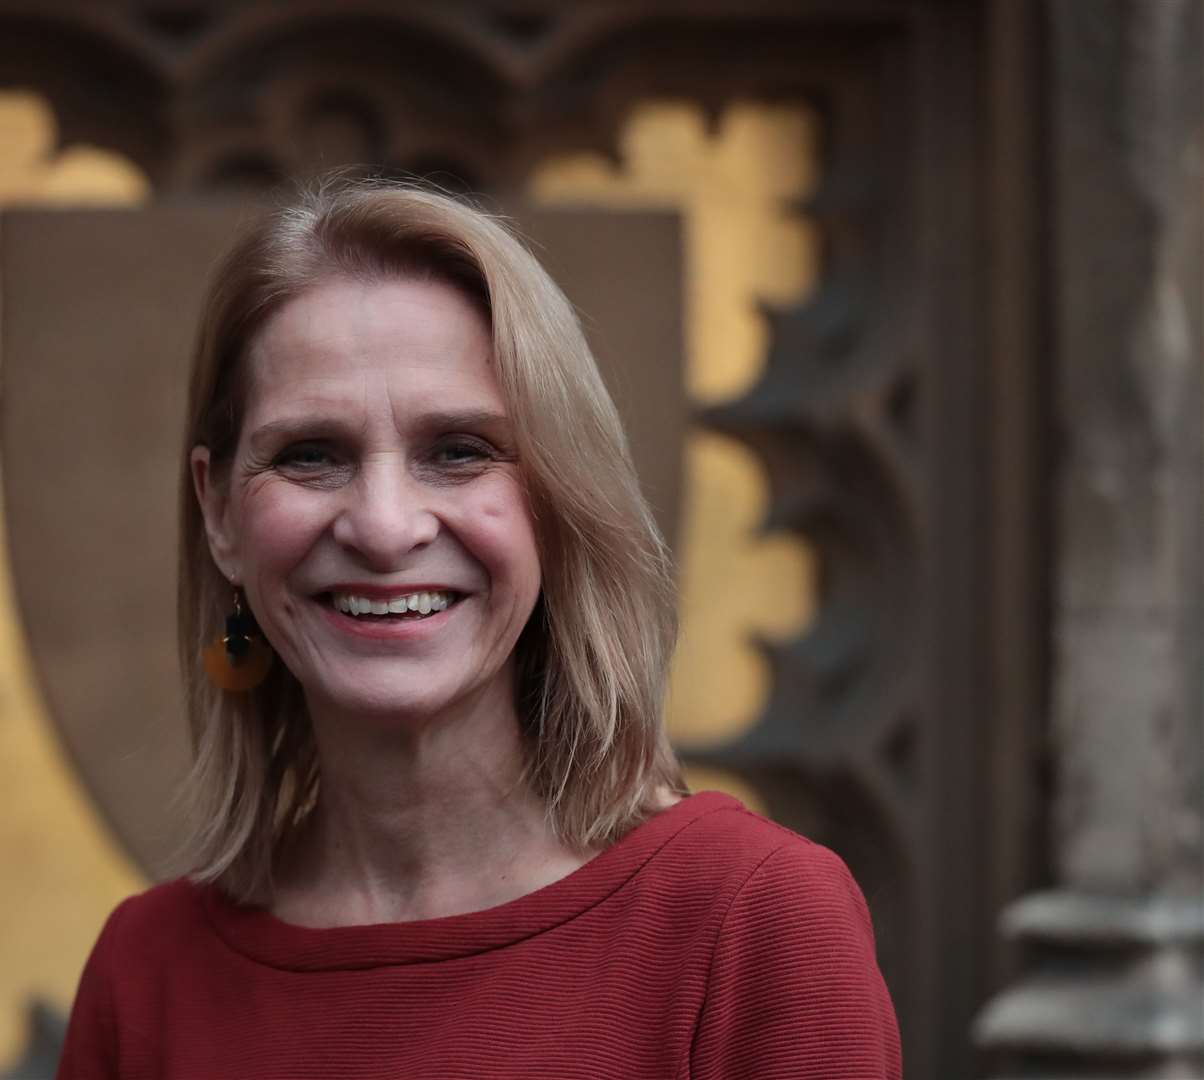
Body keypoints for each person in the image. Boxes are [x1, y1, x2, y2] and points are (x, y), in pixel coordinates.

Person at [55, 179, 901, 1079]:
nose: (384, 527)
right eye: (310, 454)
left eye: (459, 450)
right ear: (219, 511)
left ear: (556, 495)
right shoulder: (146, 973)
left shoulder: (753, 921)